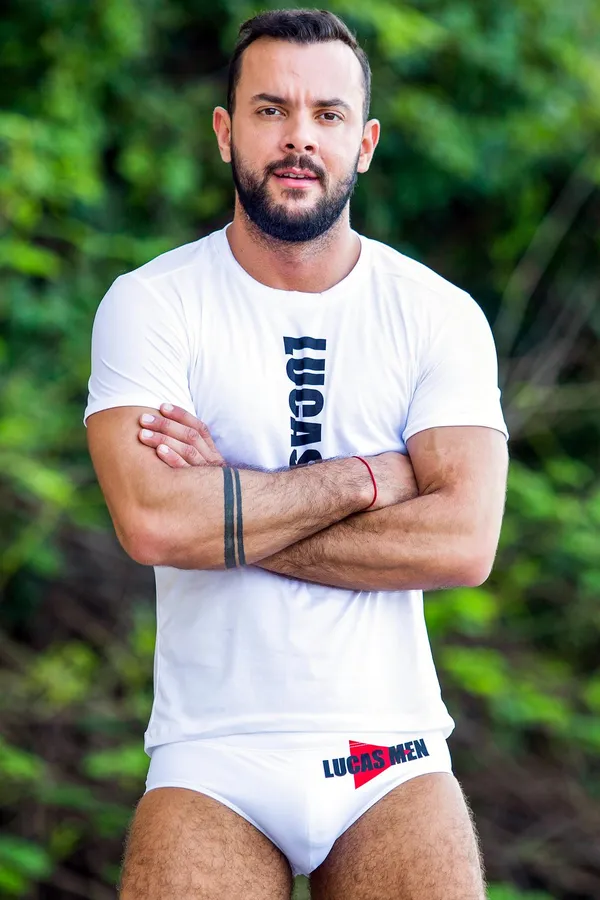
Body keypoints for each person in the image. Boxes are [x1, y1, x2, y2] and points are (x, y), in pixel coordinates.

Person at [85, 8, 509, 899]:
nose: (299, 138)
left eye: (328, 114)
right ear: (225, 131)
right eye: (271, 110)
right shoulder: (152, 303)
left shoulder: (438, 314)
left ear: (365, 143)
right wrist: (368, 479)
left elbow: (464, 543)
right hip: (212, 755)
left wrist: (227, 505)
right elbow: (155, 524)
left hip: (391, 752)